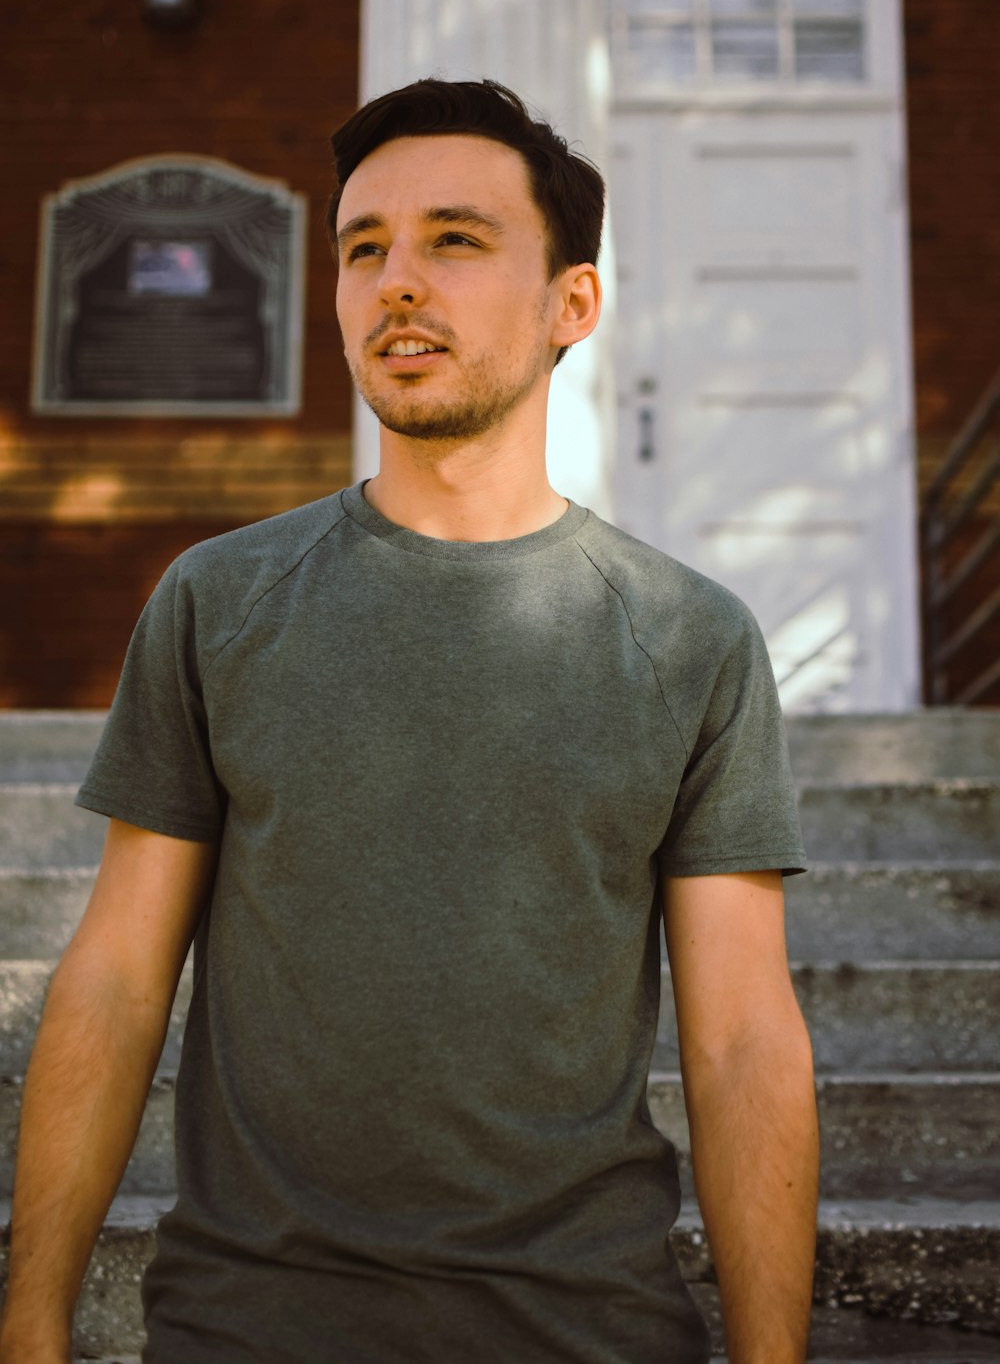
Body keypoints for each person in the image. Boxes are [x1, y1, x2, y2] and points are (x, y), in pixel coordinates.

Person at [0, 79, 818, 1364]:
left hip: (582, 1334)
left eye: (455, 238)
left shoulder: (689, 638)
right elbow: (112, 980)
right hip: (246, 1330)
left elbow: (741, 1038)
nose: (394, 280)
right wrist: (32, 1324)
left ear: (573, 304)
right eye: (362, 246)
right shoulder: (217, 603)